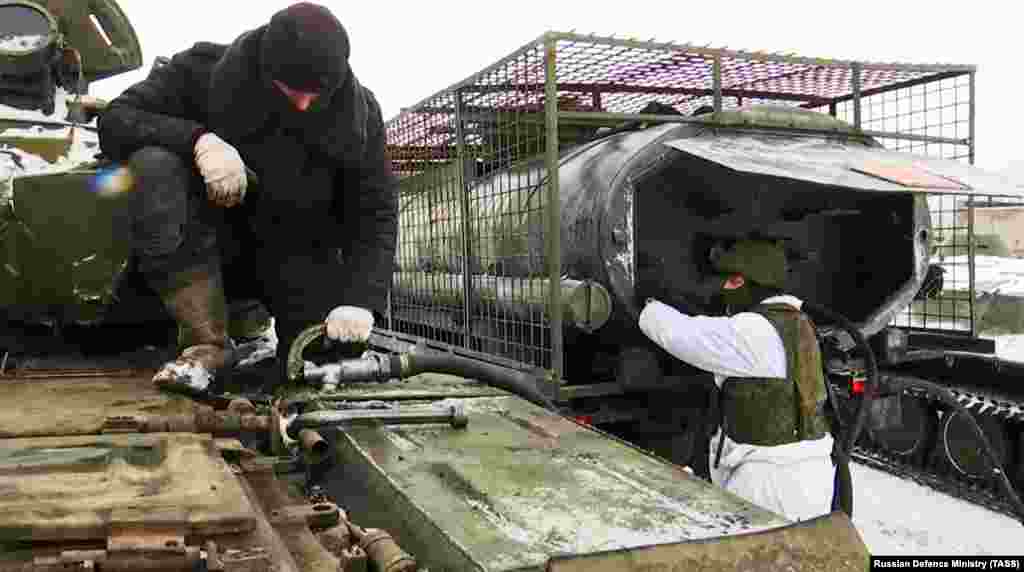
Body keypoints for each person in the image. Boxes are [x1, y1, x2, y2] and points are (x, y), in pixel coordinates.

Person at [97, 2, 397, 393]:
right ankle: (207, 344)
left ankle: (276, 346)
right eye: (292, 90)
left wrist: (362, 298)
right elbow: (117, 118)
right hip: (202, 250)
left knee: (319, 364)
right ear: (265, 67)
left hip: (297, 253)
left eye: (318, 94)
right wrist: (199, 141)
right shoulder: (201, 71)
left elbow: (375, 210)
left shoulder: (359, 116)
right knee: (154, 163)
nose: (305, 105)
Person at [634, 239, 835, 521]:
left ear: (749, 282)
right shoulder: (798, 322)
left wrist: (650, 303)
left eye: (732, 280)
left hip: (771, 480)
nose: (725, 288)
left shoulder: (754, 329)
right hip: (809, 476)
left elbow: (685, 335)